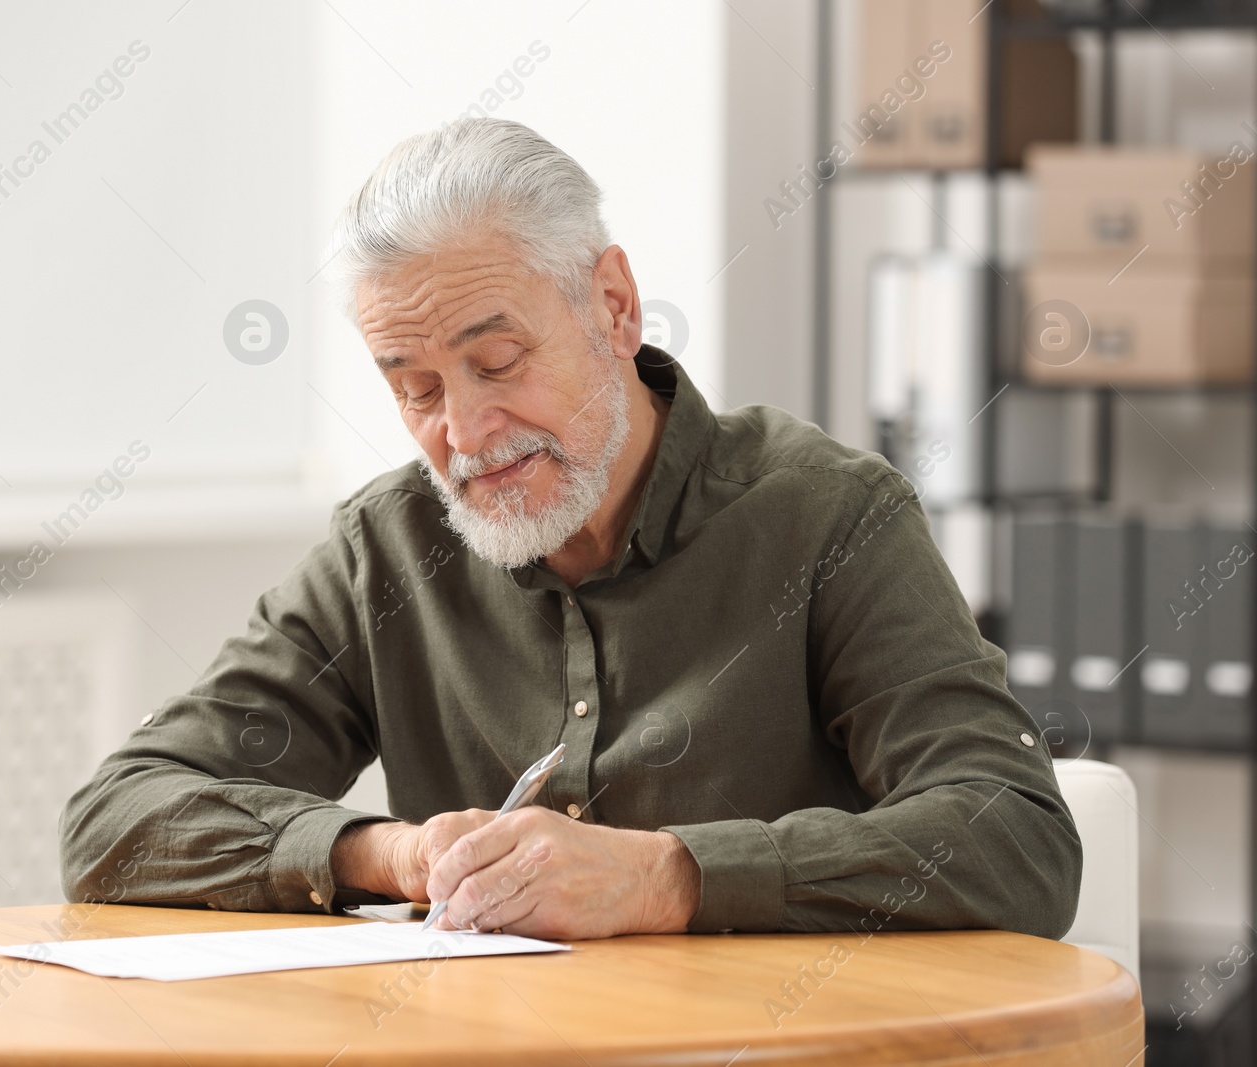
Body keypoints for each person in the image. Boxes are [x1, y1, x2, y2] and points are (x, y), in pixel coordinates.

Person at [59, 118, 1081, 941]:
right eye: (414, 387)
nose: (460, 432)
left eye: (496, 363)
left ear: (613, 305)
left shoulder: (830, 516)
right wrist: (393, 855)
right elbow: (115, 818)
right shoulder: (387, 546)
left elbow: (1015, 833)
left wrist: (673, 875)